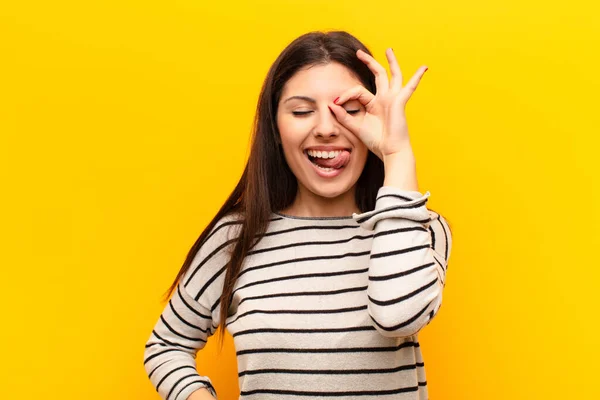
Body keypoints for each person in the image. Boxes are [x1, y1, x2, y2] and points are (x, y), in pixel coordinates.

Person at [143, 30, 453, 400]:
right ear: (275, 128)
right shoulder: (235, 239)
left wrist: (397, 153)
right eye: (302, 111)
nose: (325, 129)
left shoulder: (419, 228)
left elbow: (399, 314)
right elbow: (166, 346)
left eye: (350, 110)